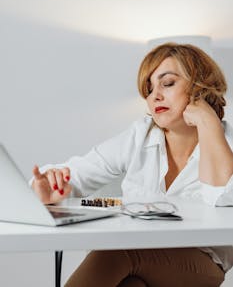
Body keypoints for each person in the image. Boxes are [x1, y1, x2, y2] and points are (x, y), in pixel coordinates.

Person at [31, 43, 233, 287]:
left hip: (201, 263)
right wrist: (50, 187)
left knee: (117, 251)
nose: (154, 95)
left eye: (167, 83)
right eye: (148, 89)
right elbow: (79, 172)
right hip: (143, 257)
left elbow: (222, 196)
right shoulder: (141, 135)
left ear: (199, 86)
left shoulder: (227, 142)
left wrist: (207, 120)